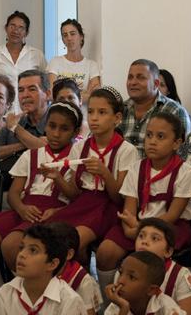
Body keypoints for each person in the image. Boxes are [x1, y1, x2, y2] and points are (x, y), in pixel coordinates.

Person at [0, 102, 82, 293]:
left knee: (12, 245)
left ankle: (27, 293)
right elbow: (14, 193)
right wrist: (21, 208)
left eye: (64, 129)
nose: (55, 133)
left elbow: (77, 196)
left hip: (54, 212)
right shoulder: (31, 154)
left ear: (75, 131)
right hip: (25, 208)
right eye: (52, 126)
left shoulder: (77, 156)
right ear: (45, 125)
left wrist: (59, 178)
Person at [96, 113, 191, 290]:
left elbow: (172, 215)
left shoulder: (186, 172)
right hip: (135, 223)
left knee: (149, 252)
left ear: (177, 143)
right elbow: (129, 210)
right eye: (149, 135)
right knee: (105, 252)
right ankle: (110, 302)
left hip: (169, 228)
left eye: (161, 136)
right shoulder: (137, 168)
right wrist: (131, 229)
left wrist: (140, 230)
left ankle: (151, 298)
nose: (152, 141)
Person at [47, 86, 138, 259]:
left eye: (102, 112)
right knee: (47, 235)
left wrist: (105, 173)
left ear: (117, 118)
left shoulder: (127, 151)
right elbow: (74, 194)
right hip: (82, 203)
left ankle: (82, 280)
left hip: (107, 208)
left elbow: (119, 198)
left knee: (73, 241)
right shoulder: (80, 147)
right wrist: (58, 178)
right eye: (91, 112)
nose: (94, 118)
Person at [119, 59, 191, 155]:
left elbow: (182, 155)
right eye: (130, 77)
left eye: (140, 78)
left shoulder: (174, 111)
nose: (133, 82)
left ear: (156, 84)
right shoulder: (120, 109)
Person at [133, 218, 191, 315]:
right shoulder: (124, 271)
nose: (144, 242)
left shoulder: (181, 275)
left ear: (168, 251)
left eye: (155, 238)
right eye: (141, 236)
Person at [0, 10, 46, 113]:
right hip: (3, 114)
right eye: (12, 26)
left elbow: (45, 85)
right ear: (6, 28)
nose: (16, 31)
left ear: (27, 32)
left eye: (21, 28)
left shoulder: (37, 55)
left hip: (30, 114)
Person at [47, 222, 102, 315]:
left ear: (69, 254)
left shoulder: (82, 279)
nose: (45, 253)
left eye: (50, 248)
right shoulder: (39, 271)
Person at [0, 69, 50, 160]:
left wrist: (15, 128)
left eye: (32, 89)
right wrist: (25, 144)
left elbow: (49, 152)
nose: (25, 95)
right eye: (21, 90)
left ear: (47, 94)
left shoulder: (58, 122)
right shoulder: (14, 122)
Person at [47, 19, 101, 103]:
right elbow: (52, 94)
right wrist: (85, 93)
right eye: (65, 35)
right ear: (63, 40)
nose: (69, 38)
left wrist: (63, 95)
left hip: (83, 115)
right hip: (60, 114)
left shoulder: (92, 65)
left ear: (81, 37)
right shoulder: (55, 62)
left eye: (72, 34)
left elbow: (94, 95)